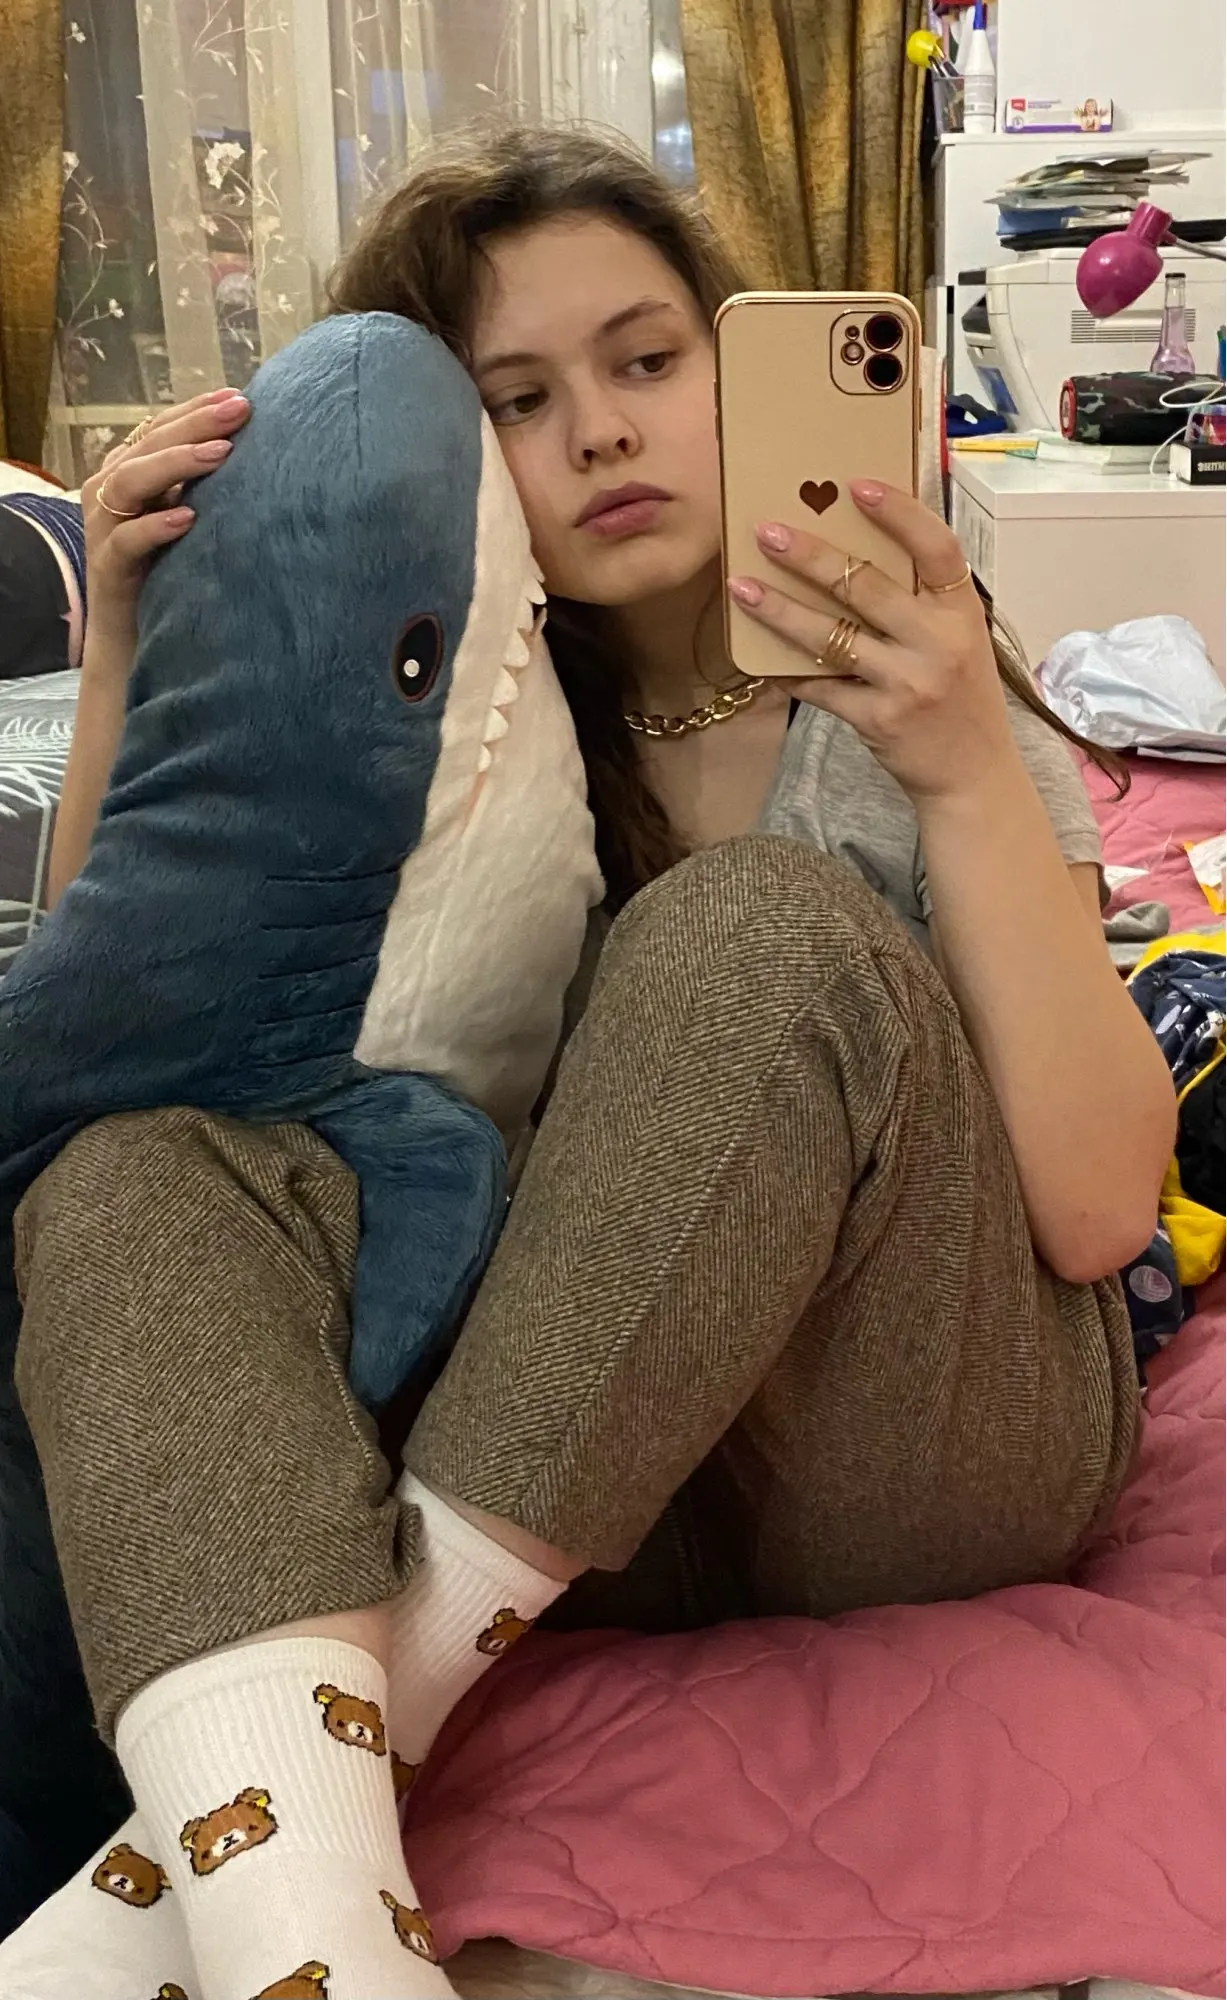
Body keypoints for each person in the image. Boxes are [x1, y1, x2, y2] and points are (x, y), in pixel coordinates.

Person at [7, 125, 1174, 2000]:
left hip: (909, 1442)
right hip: (587, 1490)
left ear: (737, 363)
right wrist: (133, 655)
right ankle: (318, 1943)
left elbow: (1103, 1209)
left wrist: (961, 759)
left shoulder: (909, 682)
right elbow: (132, 1023)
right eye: (518, 400)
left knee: (754, 931)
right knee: (131, 1167)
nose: (604, 433)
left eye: (647, 360)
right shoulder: (451, 709)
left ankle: (222, 1833)